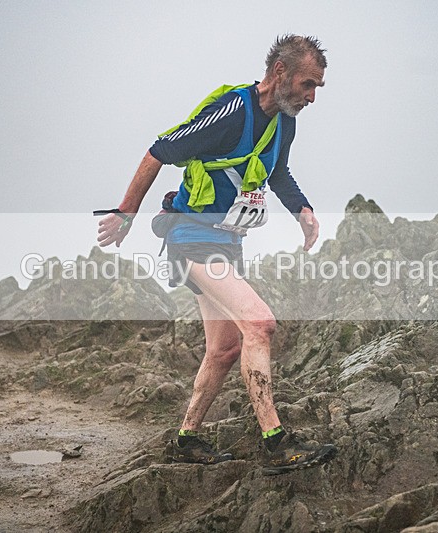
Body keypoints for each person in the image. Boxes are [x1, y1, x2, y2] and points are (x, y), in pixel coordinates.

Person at [97, 35, 336, 475]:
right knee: (259, 323)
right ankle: (276, 444)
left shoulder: (285, 122)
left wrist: (302, 210)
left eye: (318, 87)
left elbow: (277, 171)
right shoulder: (230, 113)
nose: (312, 97)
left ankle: (186, 438)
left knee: (224, 349)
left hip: (227, 242)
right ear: (280, 73)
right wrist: (126, 213)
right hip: (190, 237)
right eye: (308, 84)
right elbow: (159, 151)